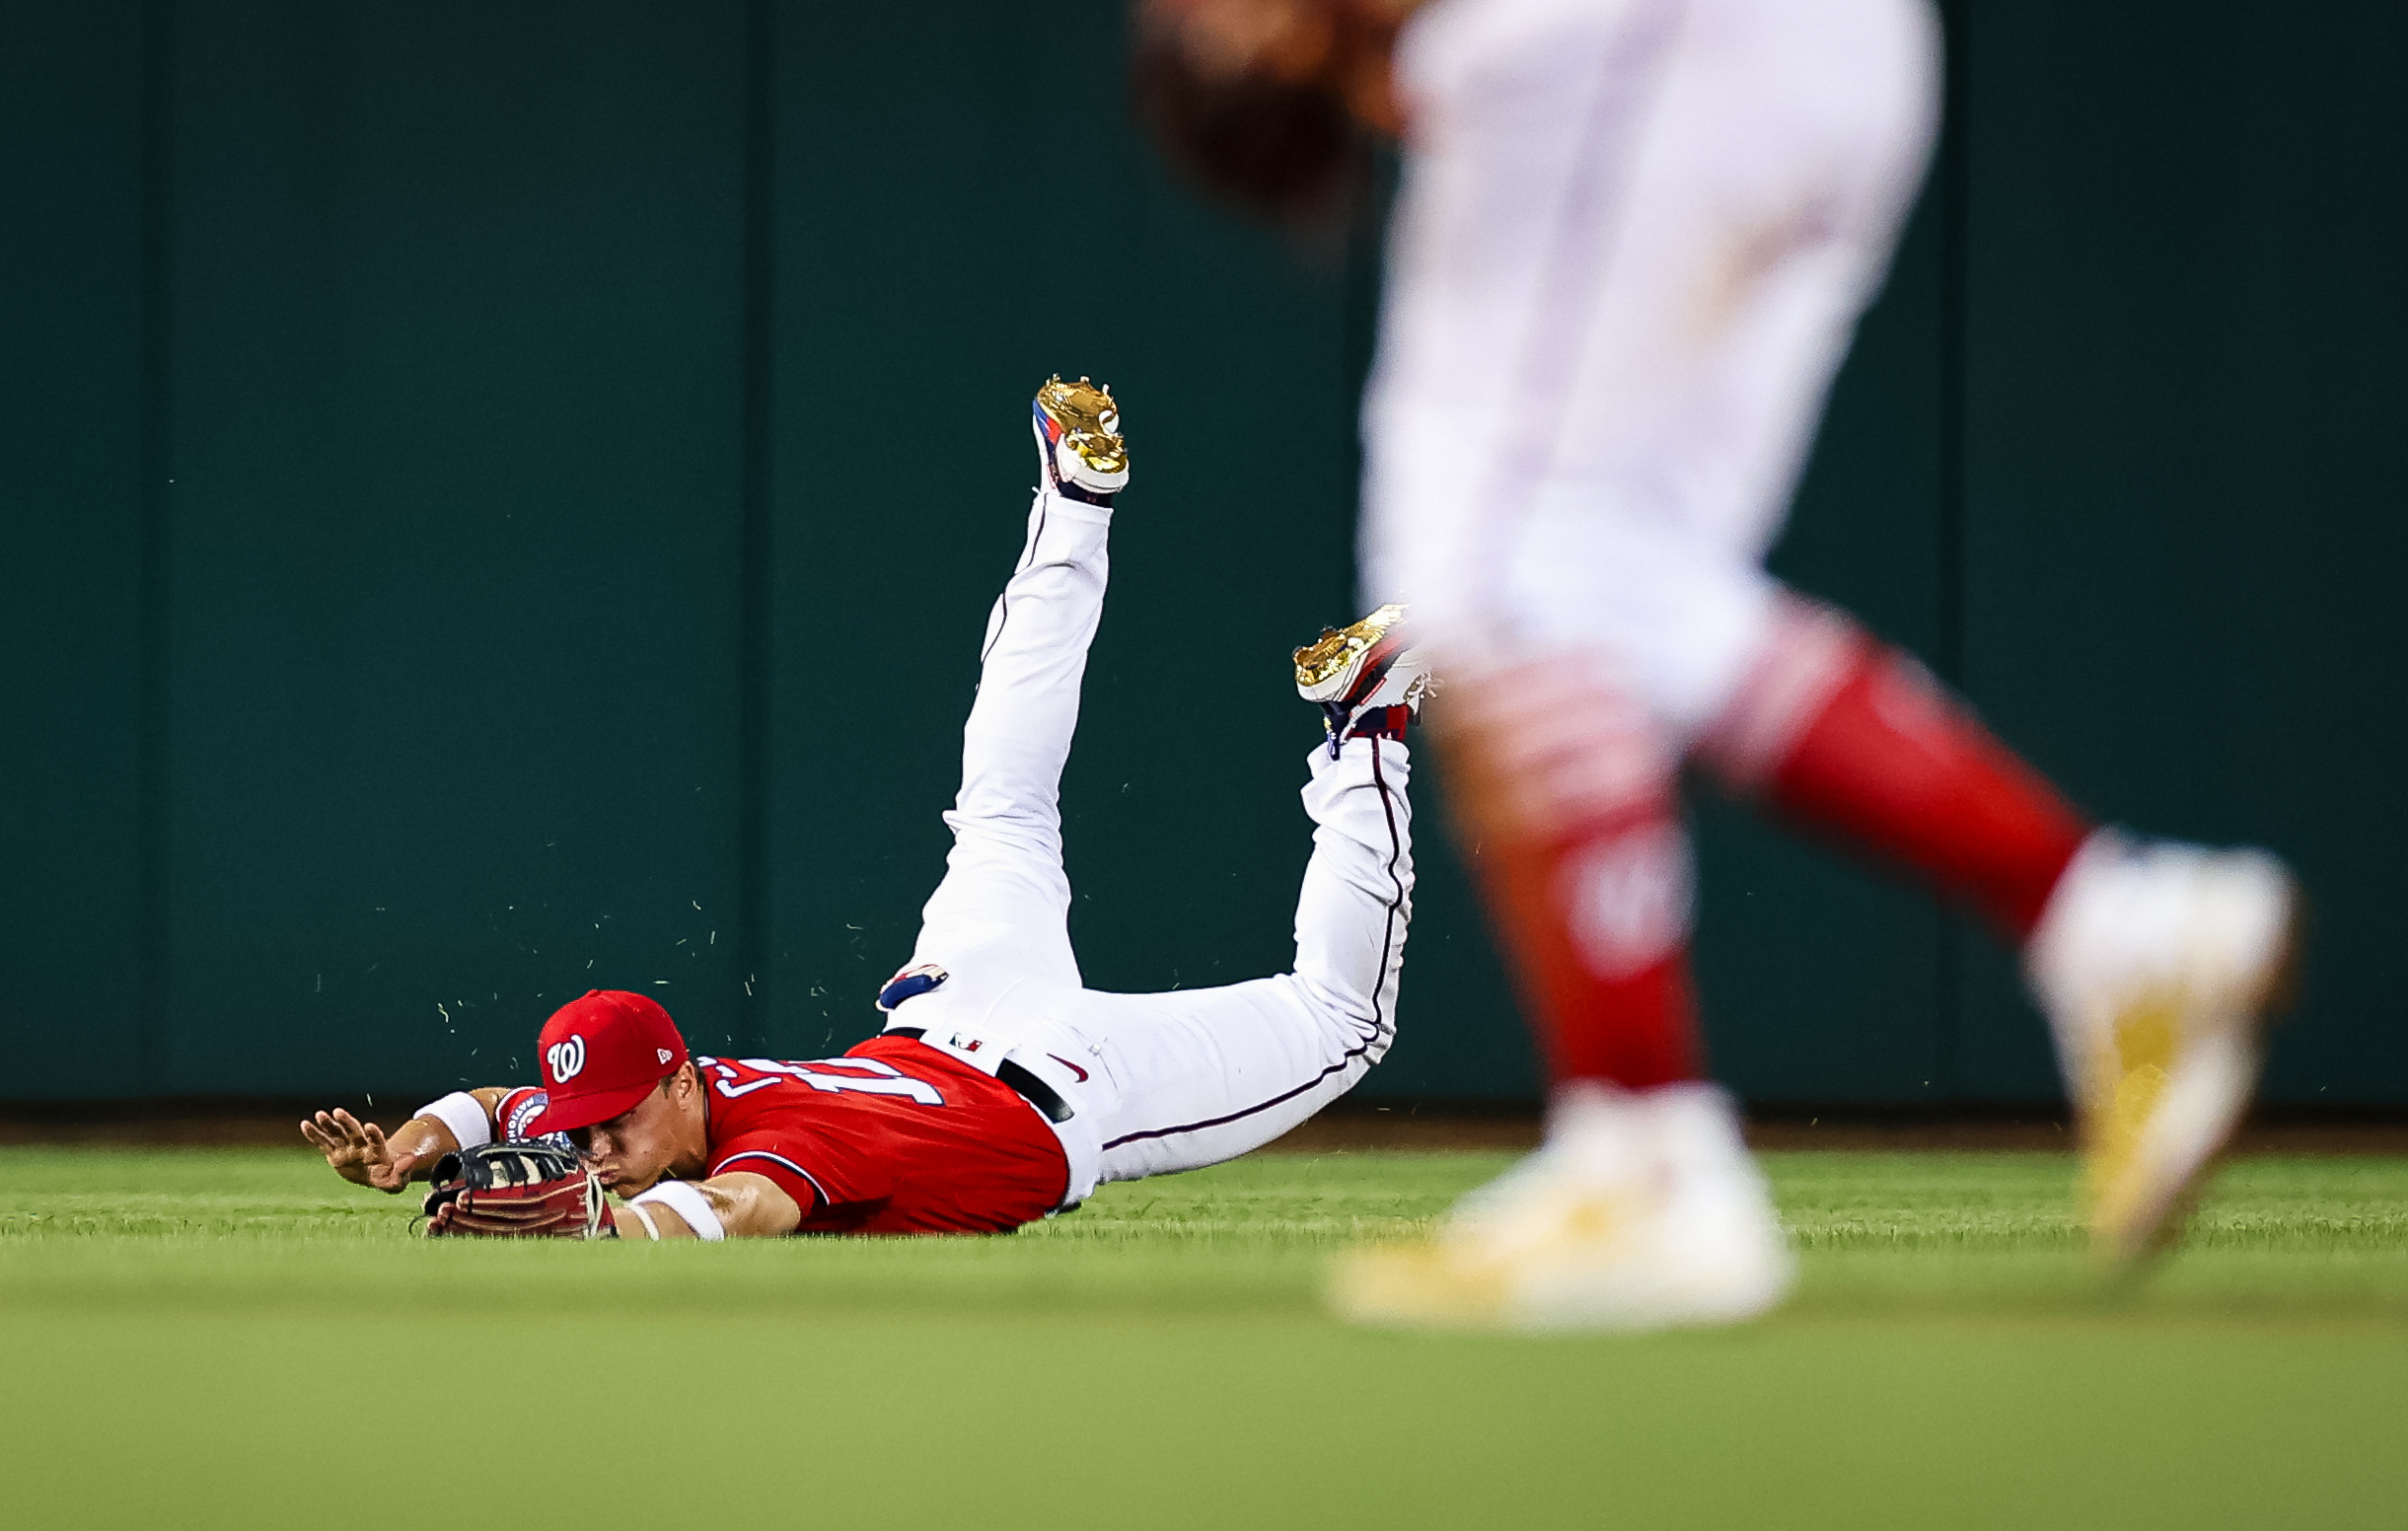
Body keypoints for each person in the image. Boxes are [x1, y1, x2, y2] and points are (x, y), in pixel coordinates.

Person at [1134, 0, 2298, 1330]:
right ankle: (2115, 927)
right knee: (1617, 584)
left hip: (1672, 44)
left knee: (1501, 575)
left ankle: (1642, 1158)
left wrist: (1285, 40)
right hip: (1772, 58)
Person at [303, 378, 1430, 1239]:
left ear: (685, 1078)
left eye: (616, 1120)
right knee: (999, 807)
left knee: (1341, 1020)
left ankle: (1364, 727)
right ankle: (1072, 508)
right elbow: (509, 1104)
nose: (597, 1146)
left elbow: (738, 1212)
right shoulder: (705, 1092)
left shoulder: (780, 1137)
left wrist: (601, 1222)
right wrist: (410, 1148)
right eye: (590, 1129)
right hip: (955, 1005)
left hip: (1065, 1082)